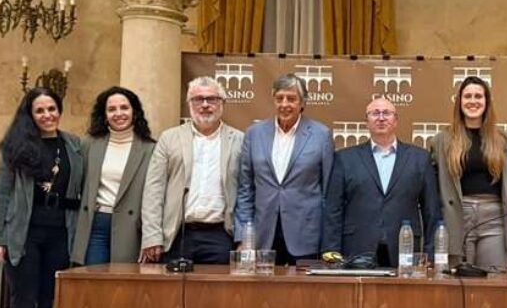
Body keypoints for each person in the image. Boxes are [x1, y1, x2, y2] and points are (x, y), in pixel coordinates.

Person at [0, 87, 83, 308]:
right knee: (24, 306)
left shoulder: (74, 145)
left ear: (59, 111)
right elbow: (1, 196)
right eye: (39, 110)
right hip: (24, 234)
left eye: (51, 109)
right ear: (30, 114)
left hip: (61, 234)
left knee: (48, 306)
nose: (47, 115)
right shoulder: (14, 148)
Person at [321, 97, 442, 267]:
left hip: (404, 249)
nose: (381, 118)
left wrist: (432, 253)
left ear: (396, 120)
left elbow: (432, 210)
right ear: (366, 121)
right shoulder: (344, 158)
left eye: (387, 113)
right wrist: (330, 252)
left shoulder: (419, 159)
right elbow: (333, 208)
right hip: (357, 248)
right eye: (374, 113)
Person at [141, 77, 244, 264]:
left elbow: (247, 192)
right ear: (189, 104)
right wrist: (152, 236)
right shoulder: (169, 138)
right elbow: (153, 190)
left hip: (220, 235)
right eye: (198, 100)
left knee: (217, 292)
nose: (204, 105)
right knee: (172, 293)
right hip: (176, 234)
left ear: (222, 104)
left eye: (211, 99)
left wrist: (244, 238)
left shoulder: (239, 140)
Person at [235, 73, 334, 265]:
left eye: (291, 98)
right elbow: (245, 189)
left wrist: (327, 241)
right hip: (263, 237)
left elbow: (328, 191)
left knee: (303, 295)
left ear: (302, 103)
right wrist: (243, 237)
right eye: (279, 98)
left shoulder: (321, 135)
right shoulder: (254, 134)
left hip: (306, 237)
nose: (284, 104)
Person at [429, 76, 507, 271]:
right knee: (457, 285)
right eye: (467, 96)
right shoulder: (441, 140)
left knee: (495, 281)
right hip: (458, 215)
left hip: (494, 218)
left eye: (478, 96)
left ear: (487, 101)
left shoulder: (503, 139)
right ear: (459, 102)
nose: (473, 101)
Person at [71, 87, 156, 265]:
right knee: (94, 284)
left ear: (134, 112)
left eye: (124, 108)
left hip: (131, 228)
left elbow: (155, 196)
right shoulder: (88, 145)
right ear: (104, 115)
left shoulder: (151, 149)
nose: (119, 113)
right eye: (112, 109)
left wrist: (150, 237)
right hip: (95, 225)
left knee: (123, 286)